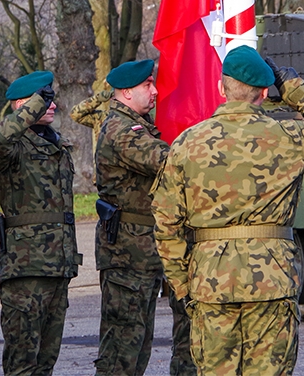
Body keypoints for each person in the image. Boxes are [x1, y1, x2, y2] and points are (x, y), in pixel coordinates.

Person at [151, 46, 304, 376]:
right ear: (263, 92)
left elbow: (165, 223)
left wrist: (184, 285)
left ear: (221, 89)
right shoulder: (289, 137)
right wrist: (294, 89)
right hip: (271, 279)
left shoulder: (187, 143)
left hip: (210, 281)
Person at [71, 59, 195, 376]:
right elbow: (166, 160)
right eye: (147, 85)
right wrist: (210, 147)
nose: (155, 91)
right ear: (126, 91)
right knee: (122, 351)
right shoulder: (122, 131)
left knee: (137, 346)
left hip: (141, 248)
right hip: (127, 253)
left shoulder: (135, 124)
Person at [0, 71, 82, 376]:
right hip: (25, 269)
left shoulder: (58, 144)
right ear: (19, 105)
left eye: (50, 97)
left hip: (58, 267)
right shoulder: (12, 146)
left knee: (45, 363)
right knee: (21, 364)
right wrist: (35, 106)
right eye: (41, 98)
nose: (49, 104)